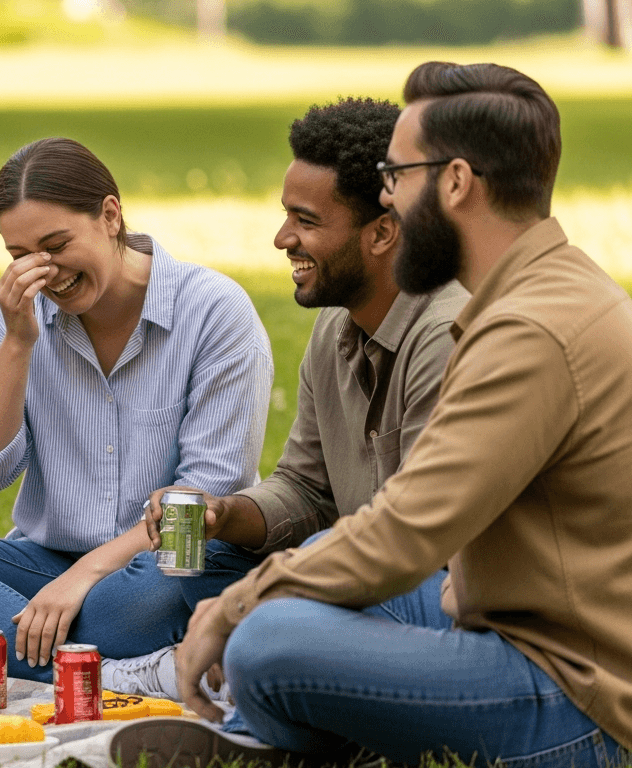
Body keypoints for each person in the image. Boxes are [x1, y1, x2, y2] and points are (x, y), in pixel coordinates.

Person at [112, 62, 632, 768]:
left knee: (266, 643)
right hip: (515, 630)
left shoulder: (530, 330)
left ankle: (259, 739)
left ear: (456, 182)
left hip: (580, 700)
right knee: (302, 577)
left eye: (397, 177)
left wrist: (236, 605)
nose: (390, 203)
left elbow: (406, 532)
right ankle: (279, 737)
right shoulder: (542, 291)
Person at [0, 137, 273, 685]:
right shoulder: (16, 314)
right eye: (21, 256)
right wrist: (17, 345)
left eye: (57, 244)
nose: (44, 272)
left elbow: (202, 497)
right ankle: (110, 673)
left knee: (127, 611)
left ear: (109, 214)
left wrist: (84, 576)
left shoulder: (215, 310)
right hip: (45, 563)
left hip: (173, 565)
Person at [132, 97, 470, 699]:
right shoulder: (335, 329)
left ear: (382, 233)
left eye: (306, 220)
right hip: (350, 573)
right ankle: (269, 668)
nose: (282, 238)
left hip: (435, 596)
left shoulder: (446, 335)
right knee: (209, 560)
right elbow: (306, 488)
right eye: (286, 215)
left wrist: (275, 587)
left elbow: (424, 543)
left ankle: (266, 671)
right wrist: (223, 514)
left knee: (287, 579)